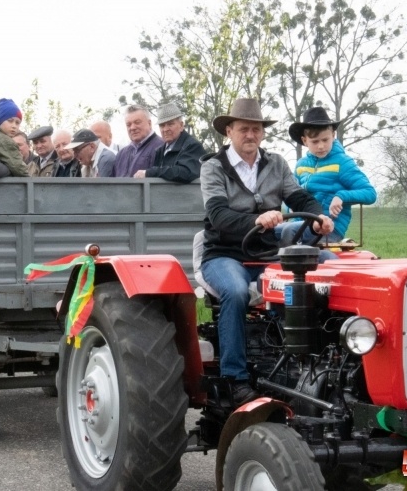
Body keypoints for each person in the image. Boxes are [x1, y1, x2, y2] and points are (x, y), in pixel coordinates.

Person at [199, 98, 334, 406]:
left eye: (256, 129)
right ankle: (235, 378)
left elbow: (301, 199)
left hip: (269, 255)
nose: (251, 135)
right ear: (229, 131)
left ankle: (316, 364)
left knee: (330, 267)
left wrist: (319, 220)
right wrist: (255, 219)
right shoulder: (212, 167)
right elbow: (218, 216)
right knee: (234, 292)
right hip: (225, 254)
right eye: (244, 129)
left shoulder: (276, 164)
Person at [285, 107, 377, 244]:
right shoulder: (300, 165)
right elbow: (290, 193)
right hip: (300, 225)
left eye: (325, 140)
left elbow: (370, 193)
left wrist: (341, 196)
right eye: (315, 142)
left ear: (333, 135)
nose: (321, 146)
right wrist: (290, 208)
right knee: (274, 241)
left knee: (302, 252)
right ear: (305, 141)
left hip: (329, 230)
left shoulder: (343, 163)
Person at [133, 102, 204, 183]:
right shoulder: (160, 151)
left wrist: (150, 172)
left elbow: (185, 172)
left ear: (181, 125)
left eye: (170, 124)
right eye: (162, 125)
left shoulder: (193, 146)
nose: (165, 129)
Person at [112, 105, 163, 177]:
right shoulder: (121, 154)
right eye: (128, 125)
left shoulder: (161, 148)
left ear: (149, 123)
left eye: (137, 122)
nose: (132, 127)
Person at [0, 98, 28, 177]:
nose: (14, 126)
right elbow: (19, 168)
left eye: (17, 123)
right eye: (10, 121)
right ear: (0, 121)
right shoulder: (3, 140)